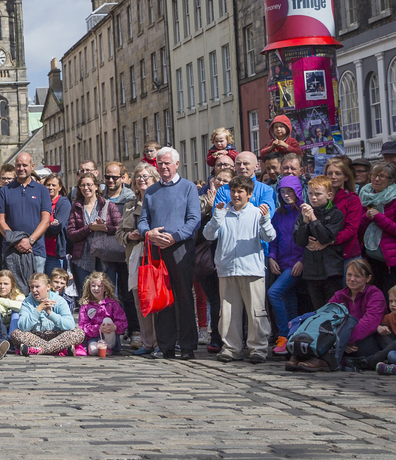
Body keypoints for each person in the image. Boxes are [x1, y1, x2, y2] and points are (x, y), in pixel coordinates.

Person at [137, 147, 201, 360]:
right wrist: (149, 233)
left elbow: (194, 219)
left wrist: (175, 236)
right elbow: (143, 220)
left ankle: (187, 346)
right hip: (156, 248)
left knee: (183, 297)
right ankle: (166, 346)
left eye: (167, 163)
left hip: (180, 248)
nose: (164, 167)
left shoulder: (188, 187)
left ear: (176, 164)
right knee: (162, 299)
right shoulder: (152, 191)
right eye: (160, 163)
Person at [205, 177, 276, 364]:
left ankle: (258, 348)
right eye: (233, 191)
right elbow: (208, 235)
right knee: (228, 313)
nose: (236, 195)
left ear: (250, 194)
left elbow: (270, 236)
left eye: (240, 191)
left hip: (252, 269)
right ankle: (231, 348)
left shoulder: (256, 213)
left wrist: (265, 220)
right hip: (227, 269)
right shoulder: (223, 211)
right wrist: (216, 218)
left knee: (256, 313)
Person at [313, 258, 386, 373]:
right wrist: (340, 342)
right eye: (349, 275)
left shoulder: (375, 295)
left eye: (357, 276)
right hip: (342, 341)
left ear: (368, 278)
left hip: (365, 339)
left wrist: (344, 341)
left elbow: (369, 322)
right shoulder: (340, 295)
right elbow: (325, 316)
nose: (352, 279)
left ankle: (331, 360)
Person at [116, 163, 157, 354]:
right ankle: (147, 342)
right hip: (134, 256)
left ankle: (161, 341)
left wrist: (145, 234)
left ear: (155, 179)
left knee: (155, 300)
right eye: (138, 176)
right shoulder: (129, 205)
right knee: (139, 300)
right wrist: (128, 236)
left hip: (154, 256)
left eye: (146, 176)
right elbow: (119, 232)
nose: (142, 179)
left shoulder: (159, 200)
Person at [0, 152, 52, 284]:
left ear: (32, 166)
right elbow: (0, 221)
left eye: (25, 165)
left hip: (35, 250)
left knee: (36, 290)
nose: (21, 168)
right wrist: (16, 241)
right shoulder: (5, 190)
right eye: (18, 165)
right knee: (12, 293)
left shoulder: (42, 190)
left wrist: (30, 241)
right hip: (11, 251)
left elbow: (46, 221)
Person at [293, 175, 345, 310]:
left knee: (331, 308)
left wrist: (313, 218)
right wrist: (305, 222)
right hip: (312, 270)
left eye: (318, 194)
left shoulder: (336, 214)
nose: (313, 198)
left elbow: (326, 237)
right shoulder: (303, 214)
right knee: (317, 308)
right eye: (310, 194)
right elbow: (299, 241)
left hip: (331, 269)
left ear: (329, 195)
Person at [268, 176, 306, 354]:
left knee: (274, 292)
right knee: (289, 300)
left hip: (295, 264)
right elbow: (274, 239)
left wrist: (302, 261)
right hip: (281, 262)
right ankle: (292, 338)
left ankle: (283, 335)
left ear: (297, 192)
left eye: (290, 191)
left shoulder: (304, 212)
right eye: (283, 192)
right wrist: (272, 257)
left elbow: (309, 240)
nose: (286, 195)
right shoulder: (279, 214)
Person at [359, 162, 396, 289]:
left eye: (382, 176)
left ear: (391, 180)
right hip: (370, 259)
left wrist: (379, 218)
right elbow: (358, 230)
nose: (376, 179)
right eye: (374, 175)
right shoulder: (364, 195)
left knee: (390, 300)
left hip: (392, 263)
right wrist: (366, 218)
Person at [11, 272, 83, 356]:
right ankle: (58, 349)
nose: (34, 290)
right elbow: (23, 326)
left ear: (48, 287)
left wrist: (50, 313)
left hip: (56, 335)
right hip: (35, 335)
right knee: (16, 334)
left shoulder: (59, 300)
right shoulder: (27, 302)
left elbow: (70, 325)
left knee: (78, 333)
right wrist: (39, 309)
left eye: (37, 287)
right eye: (32, 287)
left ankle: (39, 350)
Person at [66, 172, 120, 286]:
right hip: (82, 260)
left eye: (89, 185)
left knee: (107, 295)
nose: (86, 188)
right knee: (84, 296)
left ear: (96, 186)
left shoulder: (108, 205)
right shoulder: (76, 207)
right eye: (82, 185)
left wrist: (105, 228)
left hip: (105, 257)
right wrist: (88, 228)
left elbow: (120, 229)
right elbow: (71, 234)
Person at [75, 271, 127, 356]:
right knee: (93, 350)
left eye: (99, 286)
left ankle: (109, 347)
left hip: (111, 338)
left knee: (107, 320)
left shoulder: (112, 303)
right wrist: (98, 328)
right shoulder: (86, 305)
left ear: (105, 288)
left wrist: (115, 327)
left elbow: (123, 322)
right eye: (93, 286)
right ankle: (102, 349)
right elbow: (82, 326)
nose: (96, 288)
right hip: (94, 338)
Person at [38, 174, 70, 279]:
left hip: (54, 253)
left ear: (60, 187)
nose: (50, 187)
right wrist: (49, 224)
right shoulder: (41, 202)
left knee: (54, 285)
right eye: (48, 184)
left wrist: (41, 226)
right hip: (40, 251)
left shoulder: (63, 203)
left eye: (54, 185)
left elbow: (57, 227)